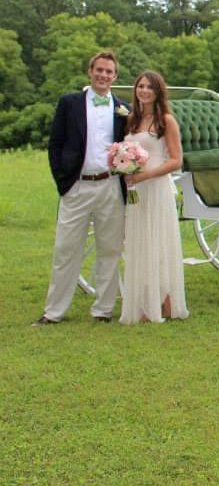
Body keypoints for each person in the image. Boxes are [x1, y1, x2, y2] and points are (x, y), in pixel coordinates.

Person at [34, 51, 128, 325]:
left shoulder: (122, 109)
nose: (103, 75)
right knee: (66, 250)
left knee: (109, 250)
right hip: (77, 187)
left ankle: (103, 310)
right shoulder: (70, 103)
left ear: (115, 76)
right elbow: (55, 144)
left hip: (110, 187)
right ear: (90, 71)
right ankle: (53, 312)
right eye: (99, 70)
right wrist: (64, 183)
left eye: (109, 72)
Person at [119, 70, 189, 324]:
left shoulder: (166, 121)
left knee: (159, 244)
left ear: (158, 92)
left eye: (150, 87)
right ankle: (143, 303)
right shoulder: (131, 120)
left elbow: (176, 160)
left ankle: (166, 304)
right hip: (136, 192)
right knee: (139, 243)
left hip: (156, 188)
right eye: (141, 86)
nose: (144, 90)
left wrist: (144, 176)